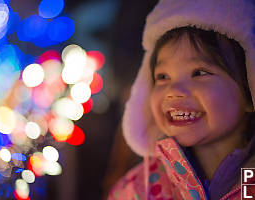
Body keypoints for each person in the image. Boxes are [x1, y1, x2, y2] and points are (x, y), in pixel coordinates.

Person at [108, 0, 255, 199]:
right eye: (162, 77)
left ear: (249, 91)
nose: (173, 90)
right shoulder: (135, 190)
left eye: (199, 72)